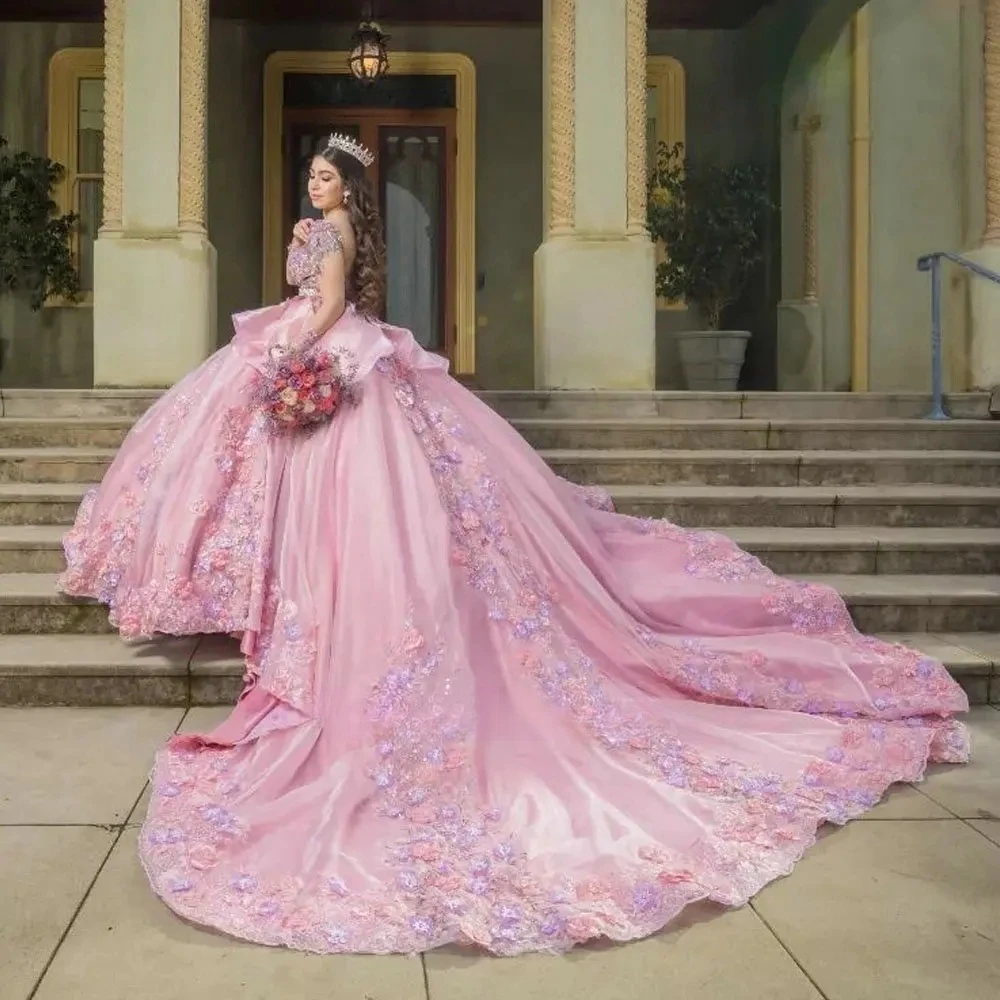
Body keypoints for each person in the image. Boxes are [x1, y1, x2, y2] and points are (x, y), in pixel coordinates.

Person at [59, 133, 969, 957]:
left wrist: (305, 353)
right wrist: (295, 335)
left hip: (332, 348)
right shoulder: (318, 229)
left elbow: (331, 303)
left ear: (351, 192)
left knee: (374, 486)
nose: (317, 183)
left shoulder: (331, 240)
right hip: (316, 343)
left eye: (329, 176)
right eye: (312, 173)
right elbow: (317, 294)